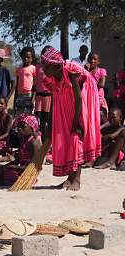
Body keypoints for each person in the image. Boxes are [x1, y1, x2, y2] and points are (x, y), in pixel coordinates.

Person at [41, 47, 101, 191]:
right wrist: (51, 124)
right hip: (67, 101)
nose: (43, 68)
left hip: (85, 96)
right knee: (66, 135)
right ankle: (69, 178)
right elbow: (54, 101)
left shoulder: (70, 70)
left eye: (45, 65)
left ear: (54, 65)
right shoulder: (52, 78)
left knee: (76, 135)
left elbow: (79, 98)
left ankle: (77, 179)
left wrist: (76, 120)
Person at [0, 113, 41, 186]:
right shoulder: (24, 141)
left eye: (23, 127)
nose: (19, 129)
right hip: (20, 170)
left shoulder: (33, 143)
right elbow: (17, 160)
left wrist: (15, 167)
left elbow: (34, 166)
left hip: (27, 174)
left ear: (31, 128)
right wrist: (4, 166)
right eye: (18, 127)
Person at [34, 46, 53, 139]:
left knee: (46, 119)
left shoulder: (52, 66)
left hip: (48, 95)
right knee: (38, 118)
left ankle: (46, 138)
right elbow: (34, 82)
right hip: (39, 95)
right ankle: (39, 138)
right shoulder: (38, 66)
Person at [15, 47, 36, 114]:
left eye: (28, 57)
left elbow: (35, 85)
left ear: (32, 58)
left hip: (29, 94)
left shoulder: (33, 68)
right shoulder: (19, 69)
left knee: (28, 114)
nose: (25, 59)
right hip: (20, 94)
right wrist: (15, 98)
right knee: (19, 113)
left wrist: (33, 98)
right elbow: (17, 84)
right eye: (24, 57)